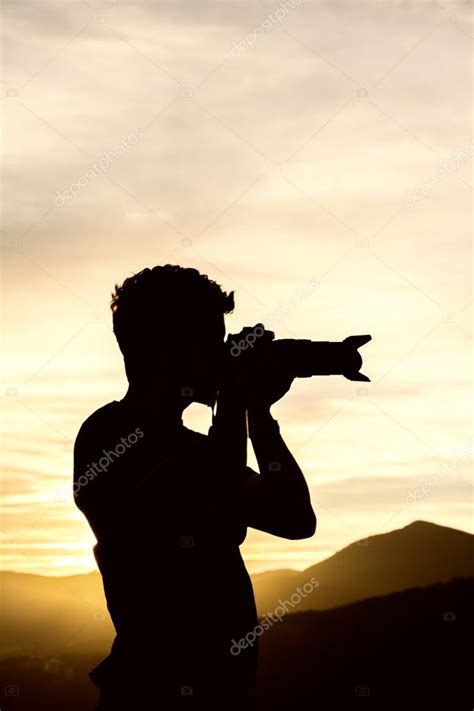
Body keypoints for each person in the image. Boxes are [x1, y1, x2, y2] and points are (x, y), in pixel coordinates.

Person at [73, 264, 316, 709]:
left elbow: (295, 518)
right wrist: (236, 397)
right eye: (211, 340)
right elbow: (218, 504)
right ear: (167, 349)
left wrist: (258, 414)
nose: (222, 353)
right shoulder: (110, 436)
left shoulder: (192, 447)